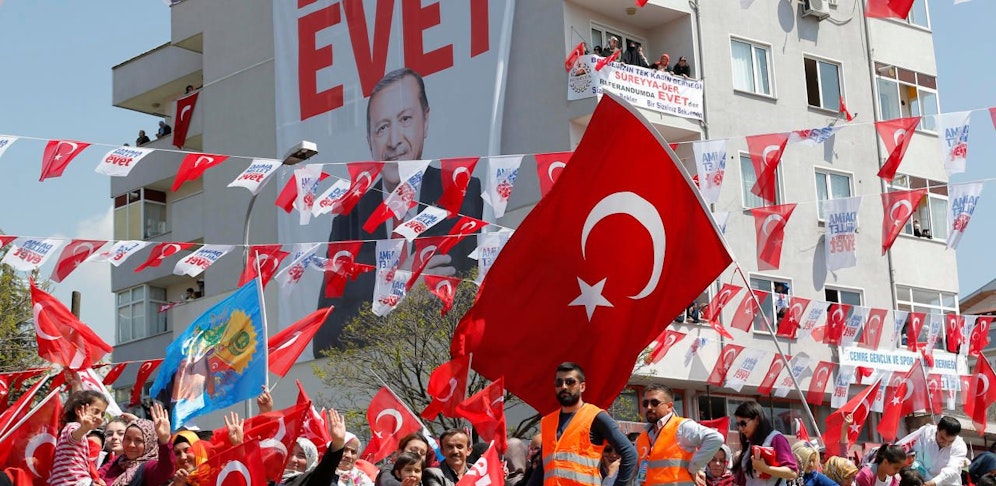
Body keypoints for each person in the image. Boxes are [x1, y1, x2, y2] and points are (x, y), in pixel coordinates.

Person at [316, 67, 484, 353]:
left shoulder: (459, 193)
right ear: (369, 141)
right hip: (376, 377)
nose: (393, 140)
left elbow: (460, 302)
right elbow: (324, 338)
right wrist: (396, 291)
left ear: (425, 121)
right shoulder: (349, 217)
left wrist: (374, 307)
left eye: (405, 119)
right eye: (382, 128)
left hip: (444, 366)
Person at [525, 362, 637, 486]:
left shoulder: (596, 416)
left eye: (570, 382)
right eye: (559, 383)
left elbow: (630, 454)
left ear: (582, 386)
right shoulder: (547, 422)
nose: (564, 387)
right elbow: (542, 468)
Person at [635, 384, 723, 486]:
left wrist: (694, 469)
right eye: (645, 403)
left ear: (669, 406)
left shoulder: (682, 427)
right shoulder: (642, 437)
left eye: (655, 403)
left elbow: (715, 438)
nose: (649, 407)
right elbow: (638, 473)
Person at [98, 403, 176, 486]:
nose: (131, 445)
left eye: (138, 440)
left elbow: (166, 471)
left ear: (149, 443)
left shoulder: (148, 467)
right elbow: (96, 475)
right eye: (128, 439)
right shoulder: (119, 461)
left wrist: (164, 440)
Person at [731, 401, 797, 486]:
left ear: (757, 420)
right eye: (738, 424)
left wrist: (765, 468)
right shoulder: (748, 444)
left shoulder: (776, 438)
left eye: (743, 423)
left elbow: (792, 472)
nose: (740, 428)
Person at [50, 390, 109, 486]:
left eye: (102, 414)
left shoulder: (76, 429)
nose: (99, 417)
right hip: (73, 482)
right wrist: (83, 429)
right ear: (78, 410)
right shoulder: (73, 427)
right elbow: (73, 437)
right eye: (96, 412)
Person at [897, 416, 967, 486]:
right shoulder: (926, 433)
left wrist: (934, 482)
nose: (945, 444)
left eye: (950, 441)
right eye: (942, 438)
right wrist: (926, 481)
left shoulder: (960, 446)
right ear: (937, 429)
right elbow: (917, 460)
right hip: (922, 480)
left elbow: (952, 470)